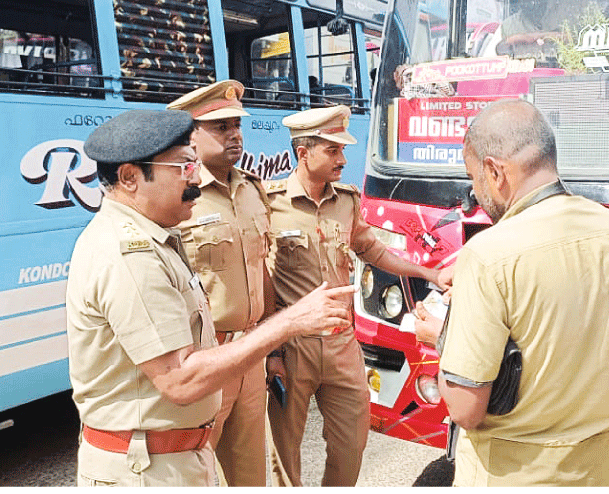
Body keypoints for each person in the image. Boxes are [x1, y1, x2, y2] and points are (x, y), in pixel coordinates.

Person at [67, 108, 356, 487]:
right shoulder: (129, 255)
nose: (194, 179)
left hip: (171, 459)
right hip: (146, 470)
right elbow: (180, 380)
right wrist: (289, 322)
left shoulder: (157, 236)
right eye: (183, 167)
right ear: (129, 178)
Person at [436, 99, 609, 486]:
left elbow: (465, 408)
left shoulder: (487, 255)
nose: (475, 193)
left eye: (474, 178)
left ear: (495, 171)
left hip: (510, 476)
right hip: (593, 472)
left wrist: (440, 335)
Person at [264, 104, 449, 486]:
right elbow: (259, 279)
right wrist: (272, 351)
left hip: (341, 343)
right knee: (285, 452)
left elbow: (375, 252)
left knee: (351, 441)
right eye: (333, 150)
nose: (343, 160)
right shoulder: (269, 202)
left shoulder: (347, 201)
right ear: (303, 153)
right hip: (293, 344)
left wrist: (429, 273)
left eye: (343, 150)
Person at [166, 80, 277, 486]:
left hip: (251, 356)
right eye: (221, 127)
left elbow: (262, 269)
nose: (235, 135)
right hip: (206, 359)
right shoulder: (177, 198)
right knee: (195, 473)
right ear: (190, 137)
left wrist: (272, 345)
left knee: (251, 476)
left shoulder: (250, 189)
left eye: (237, 125)